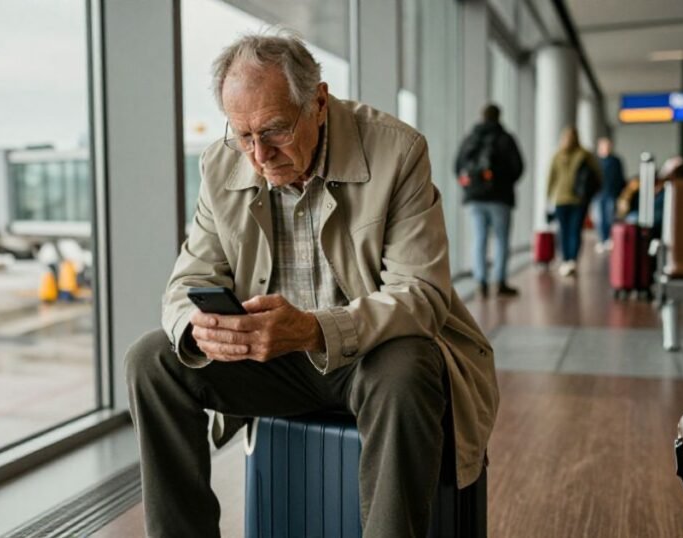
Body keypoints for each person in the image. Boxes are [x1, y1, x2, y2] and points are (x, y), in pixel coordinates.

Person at [124, 32, 498, 537]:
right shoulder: (221, 163)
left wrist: (314, 330)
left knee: (409, 365)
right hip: (272, 360)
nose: (259, 155)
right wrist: (197, 328)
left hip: (367, 355)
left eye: (275, 130)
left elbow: (421, 295)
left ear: (318, 103)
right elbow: (188, 277)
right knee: (152, 361)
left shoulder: (398, 151)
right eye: (243, 135)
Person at [454, 103, 524, 297]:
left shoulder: (471, 138)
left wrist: (470, 186)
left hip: (474, 198)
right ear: (499, 116)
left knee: (479, 239)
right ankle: (500, 282)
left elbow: (457, 166)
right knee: (501, 240)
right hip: (500, 198)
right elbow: (518, 167)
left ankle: (481, 282)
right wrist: (504, 183)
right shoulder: (506, 139)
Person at [546, 127, 601, 276]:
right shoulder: (582, 155)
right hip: (572, 200)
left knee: (568, 231)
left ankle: (568, 260)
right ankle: (570, 260)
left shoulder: (565, 155)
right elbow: (598, 176)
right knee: (571, 231)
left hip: (568, 199)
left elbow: (551, 179)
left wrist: (548, 198)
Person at [594, 137, 625, 253]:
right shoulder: (596, 161)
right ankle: (602, 240)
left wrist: (620, 193)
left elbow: (620, 178)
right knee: (599, 219)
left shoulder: (615, 161)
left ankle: (609, 239)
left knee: (609, 217)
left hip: (611, 193)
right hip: (598, 194)